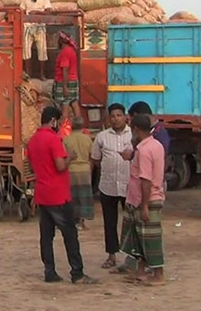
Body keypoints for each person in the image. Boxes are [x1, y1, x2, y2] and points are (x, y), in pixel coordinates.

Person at [27, 106, 98, 285]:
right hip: (58, 194)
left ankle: (49, 271)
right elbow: (60, 166)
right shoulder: (53, 139)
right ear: (53, 120)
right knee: (70, 234)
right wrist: (70, 157)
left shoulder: (33, 140)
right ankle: (77, 273)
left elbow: (32, 165)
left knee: (46, 236)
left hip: (42, 194)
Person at [119, 114, 167, 286]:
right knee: (138, 237)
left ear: (136, 130)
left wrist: (145, 206)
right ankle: (140, 271)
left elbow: (146, 180)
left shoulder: (145, 151)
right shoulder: (155, 145)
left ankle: (158, 274)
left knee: (150, 238)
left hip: (146, 199)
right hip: (139, 198)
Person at [90, 103, 134, 270]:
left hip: (128, 186)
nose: (116, 119)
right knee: (109, 223)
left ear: (125, 117)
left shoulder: (133, 135)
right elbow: (96, 159)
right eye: (113, 116)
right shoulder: (102, 137)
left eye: (119, 115)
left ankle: (132, 256)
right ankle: (111, 256)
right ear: (109, 118)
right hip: (108, 186)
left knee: (131, 222)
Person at [63, 117, 94, 230]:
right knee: (84, 197)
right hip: (85, 170)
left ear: (71, 126)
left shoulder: (66, 139)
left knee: (73, 196)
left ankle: (73, 221)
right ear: (82, 126)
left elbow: (63, 157)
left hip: (71, 170)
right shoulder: (87, 139)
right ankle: (81, 222)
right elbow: (91, 156)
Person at [53, 31, 80, 119]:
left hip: (64, 81)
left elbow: (65, 70)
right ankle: (78, 124)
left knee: (64, 104)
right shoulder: (71, 50)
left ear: (61, 41)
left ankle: (64, 126)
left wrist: (65, 87)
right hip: (73, 80)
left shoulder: (65, 52)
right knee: (74, 102)